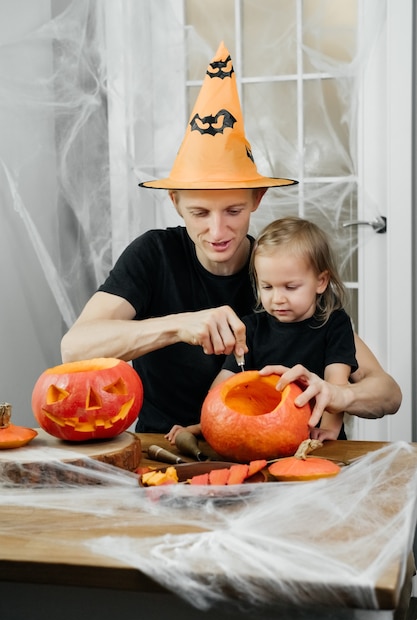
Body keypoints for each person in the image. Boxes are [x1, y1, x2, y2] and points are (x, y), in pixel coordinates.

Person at [60, 42, 401, 436]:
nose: (218, 232)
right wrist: (178, 326)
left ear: (258, 198)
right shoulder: (154, 254)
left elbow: (387, 394)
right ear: (175, 202)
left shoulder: (278, 270)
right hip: (169, 446)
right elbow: (75, 348)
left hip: (275, 450)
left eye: (234, 212)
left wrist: (339, 397)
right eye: (200, 213)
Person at [204, 216, 358, 442]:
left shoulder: (336, 325)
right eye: (267, 287)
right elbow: (225, 384)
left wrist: (328, 431)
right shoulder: (252, 327)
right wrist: (204, 424)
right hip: (261, 437)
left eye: (290, 287)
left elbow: (335, 385)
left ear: (321, 281)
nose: (277, 299)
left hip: (317, 439)